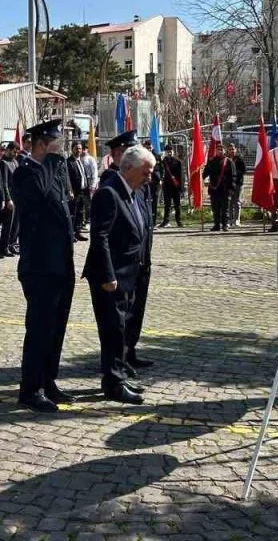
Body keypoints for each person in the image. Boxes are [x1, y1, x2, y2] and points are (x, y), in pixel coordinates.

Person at [12, 120, 77, 413]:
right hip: (39, 266)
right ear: (40, 144)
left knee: (56, 328)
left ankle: (48, 381)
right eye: (56, 143)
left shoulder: (54, 171)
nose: (61, 149)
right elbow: (37, 197)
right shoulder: (25, 173)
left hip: (60, 263)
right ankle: (31, 389)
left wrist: (54, 163)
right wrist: (51, 161)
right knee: (39, 329)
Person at [83, 145, 155, 405]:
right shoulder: (109, 193)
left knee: (122, 329)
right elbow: (99, 237)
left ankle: (119, 374)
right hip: (110, 278)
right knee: (113, 331)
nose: (149, 177)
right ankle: (113, 384)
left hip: (129, 274)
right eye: (146, 172)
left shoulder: (133, 192)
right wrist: (108, 275)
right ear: (128, 168)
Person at [202, 146, 236, 231]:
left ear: (224, 151)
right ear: (216, 151)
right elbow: (205, 173)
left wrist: (232, 188)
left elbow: (233, 176)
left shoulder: (229, 162)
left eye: (221, 150)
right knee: (215, 208)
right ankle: (216, 225)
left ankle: (225, 224)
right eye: (218, 150)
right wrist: (200, 174)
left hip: (225, 189)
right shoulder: (211, 161)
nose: (220, 151)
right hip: (214, 189)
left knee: (225, 209)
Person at [0, 143, 20, 256]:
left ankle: (12, 244)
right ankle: (4, 247)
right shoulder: (3, 163)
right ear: (8, 150)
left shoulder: (15, 162)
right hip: (10, 198)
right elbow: (4, 183)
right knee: (8, 224)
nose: (15, 154)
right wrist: (8, 199)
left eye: (17, 152)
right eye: (14, 152)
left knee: (16, 223)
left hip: (17, 197)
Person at [159, 145, 185, 228]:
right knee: (167, 204)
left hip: (176, 186)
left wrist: (181, 188)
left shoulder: (178, 161)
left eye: (170, 151)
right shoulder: (163, 162)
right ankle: (166, 220)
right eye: (167, 151)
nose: (169, 153)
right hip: (167, 186)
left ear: (173, 151)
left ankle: (179, 221)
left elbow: (181, 176)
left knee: (177, 205)